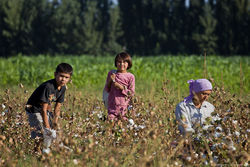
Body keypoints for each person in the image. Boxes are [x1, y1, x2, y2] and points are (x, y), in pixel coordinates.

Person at [25, 63, 73, 153]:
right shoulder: (48, 87)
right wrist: (47, 127)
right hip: (34, 109)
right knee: (40, 131)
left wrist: (54, 125)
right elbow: (43, 109)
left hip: (46, 109)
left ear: (69, 78)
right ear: (55, 74)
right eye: (61, 76)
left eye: (66, 77)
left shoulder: (63, 88)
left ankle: (46, 150)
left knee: (52, 131)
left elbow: (57, 108)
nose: (63, 79)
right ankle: (36, 152)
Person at [104, 52, 135, 122]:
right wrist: (110, 81)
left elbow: (131, 93)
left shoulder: (130, 77)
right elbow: (107, 89)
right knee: (110, 124)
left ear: (128, 63)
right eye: (119, 62)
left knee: (124, 126)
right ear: (116, 63)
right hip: (112, 107)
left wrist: (120, 87)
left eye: (124, 62)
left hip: (124, 108)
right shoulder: (112, 74)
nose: (122, 64)